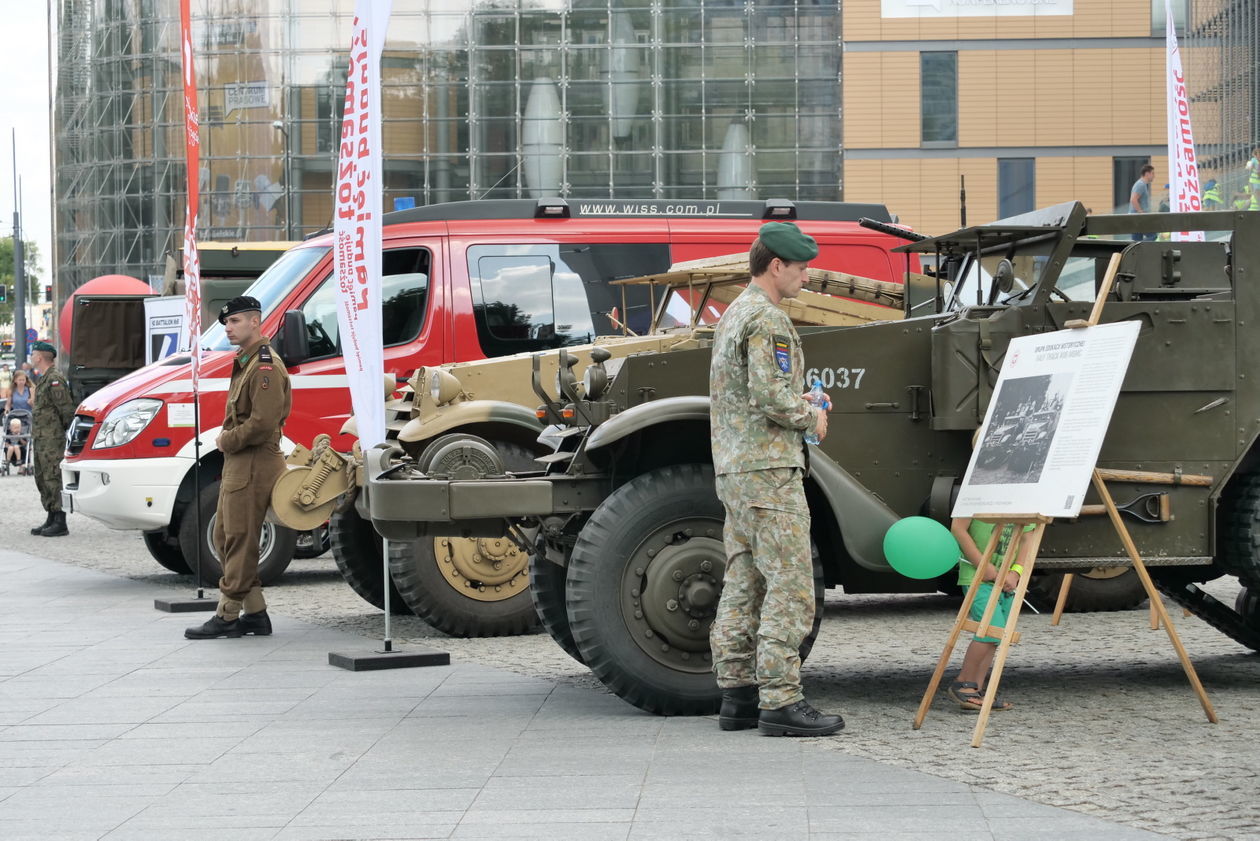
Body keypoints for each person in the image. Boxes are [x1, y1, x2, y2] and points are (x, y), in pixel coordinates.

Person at [708, 221, 844, 737]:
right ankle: (781, 701)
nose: (807, 277)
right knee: (789, 584)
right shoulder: (768, 320)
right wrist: (812, 416)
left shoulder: (733, 315)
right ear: (776, 266)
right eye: (802, 268)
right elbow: (769, 394)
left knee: (744, 581)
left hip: (736, 470)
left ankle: (738, 695)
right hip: (768, 470)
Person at [186, 296, 291, 640]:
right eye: (226, 323)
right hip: (241, 463)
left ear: (254, 322)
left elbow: (262, 423)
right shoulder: (247, 362)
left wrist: (226, 440)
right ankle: (256, 614)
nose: (228, 328)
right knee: (225, 535)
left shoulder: (264, 366)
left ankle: (228, 615)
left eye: (234, 322)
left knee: (239, 539)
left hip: (254, 461)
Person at [946, 517, 1036, 712]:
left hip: (1006, 580)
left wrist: (1016, 572)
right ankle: (963, 682)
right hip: (979, 578)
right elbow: (958, 528)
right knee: (988, 629)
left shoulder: (1025, 498)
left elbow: (1027, 538)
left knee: (996, 635)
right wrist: (982, 564)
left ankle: (976, 689)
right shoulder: (976, 493)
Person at [28, 342, 76, 537]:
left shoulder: (55, 379)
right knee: (42, 477)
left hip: (52, 440)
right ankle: (51, 515)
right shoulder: (44, 379)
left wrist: (64, 435)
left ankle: (60, 521)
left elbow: (66, 409)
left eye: (33, 354)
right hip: (42, 439)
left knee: (53, 477)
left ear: (40, 357)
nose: (31, 358)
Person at [1129, 164, 1156, 242]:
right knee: (1153, 235)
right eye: (1153, 173)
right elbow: (1133, 199)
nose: (1154, 176)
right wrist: (1141, 213)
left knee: (1136, 241)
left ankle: (1138, 249)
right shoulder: (1140, 184)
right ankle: (1142, 247)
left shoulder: (1142, 184)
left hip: (1136, 218)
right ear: (1147, 174)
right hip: (1139, 219)